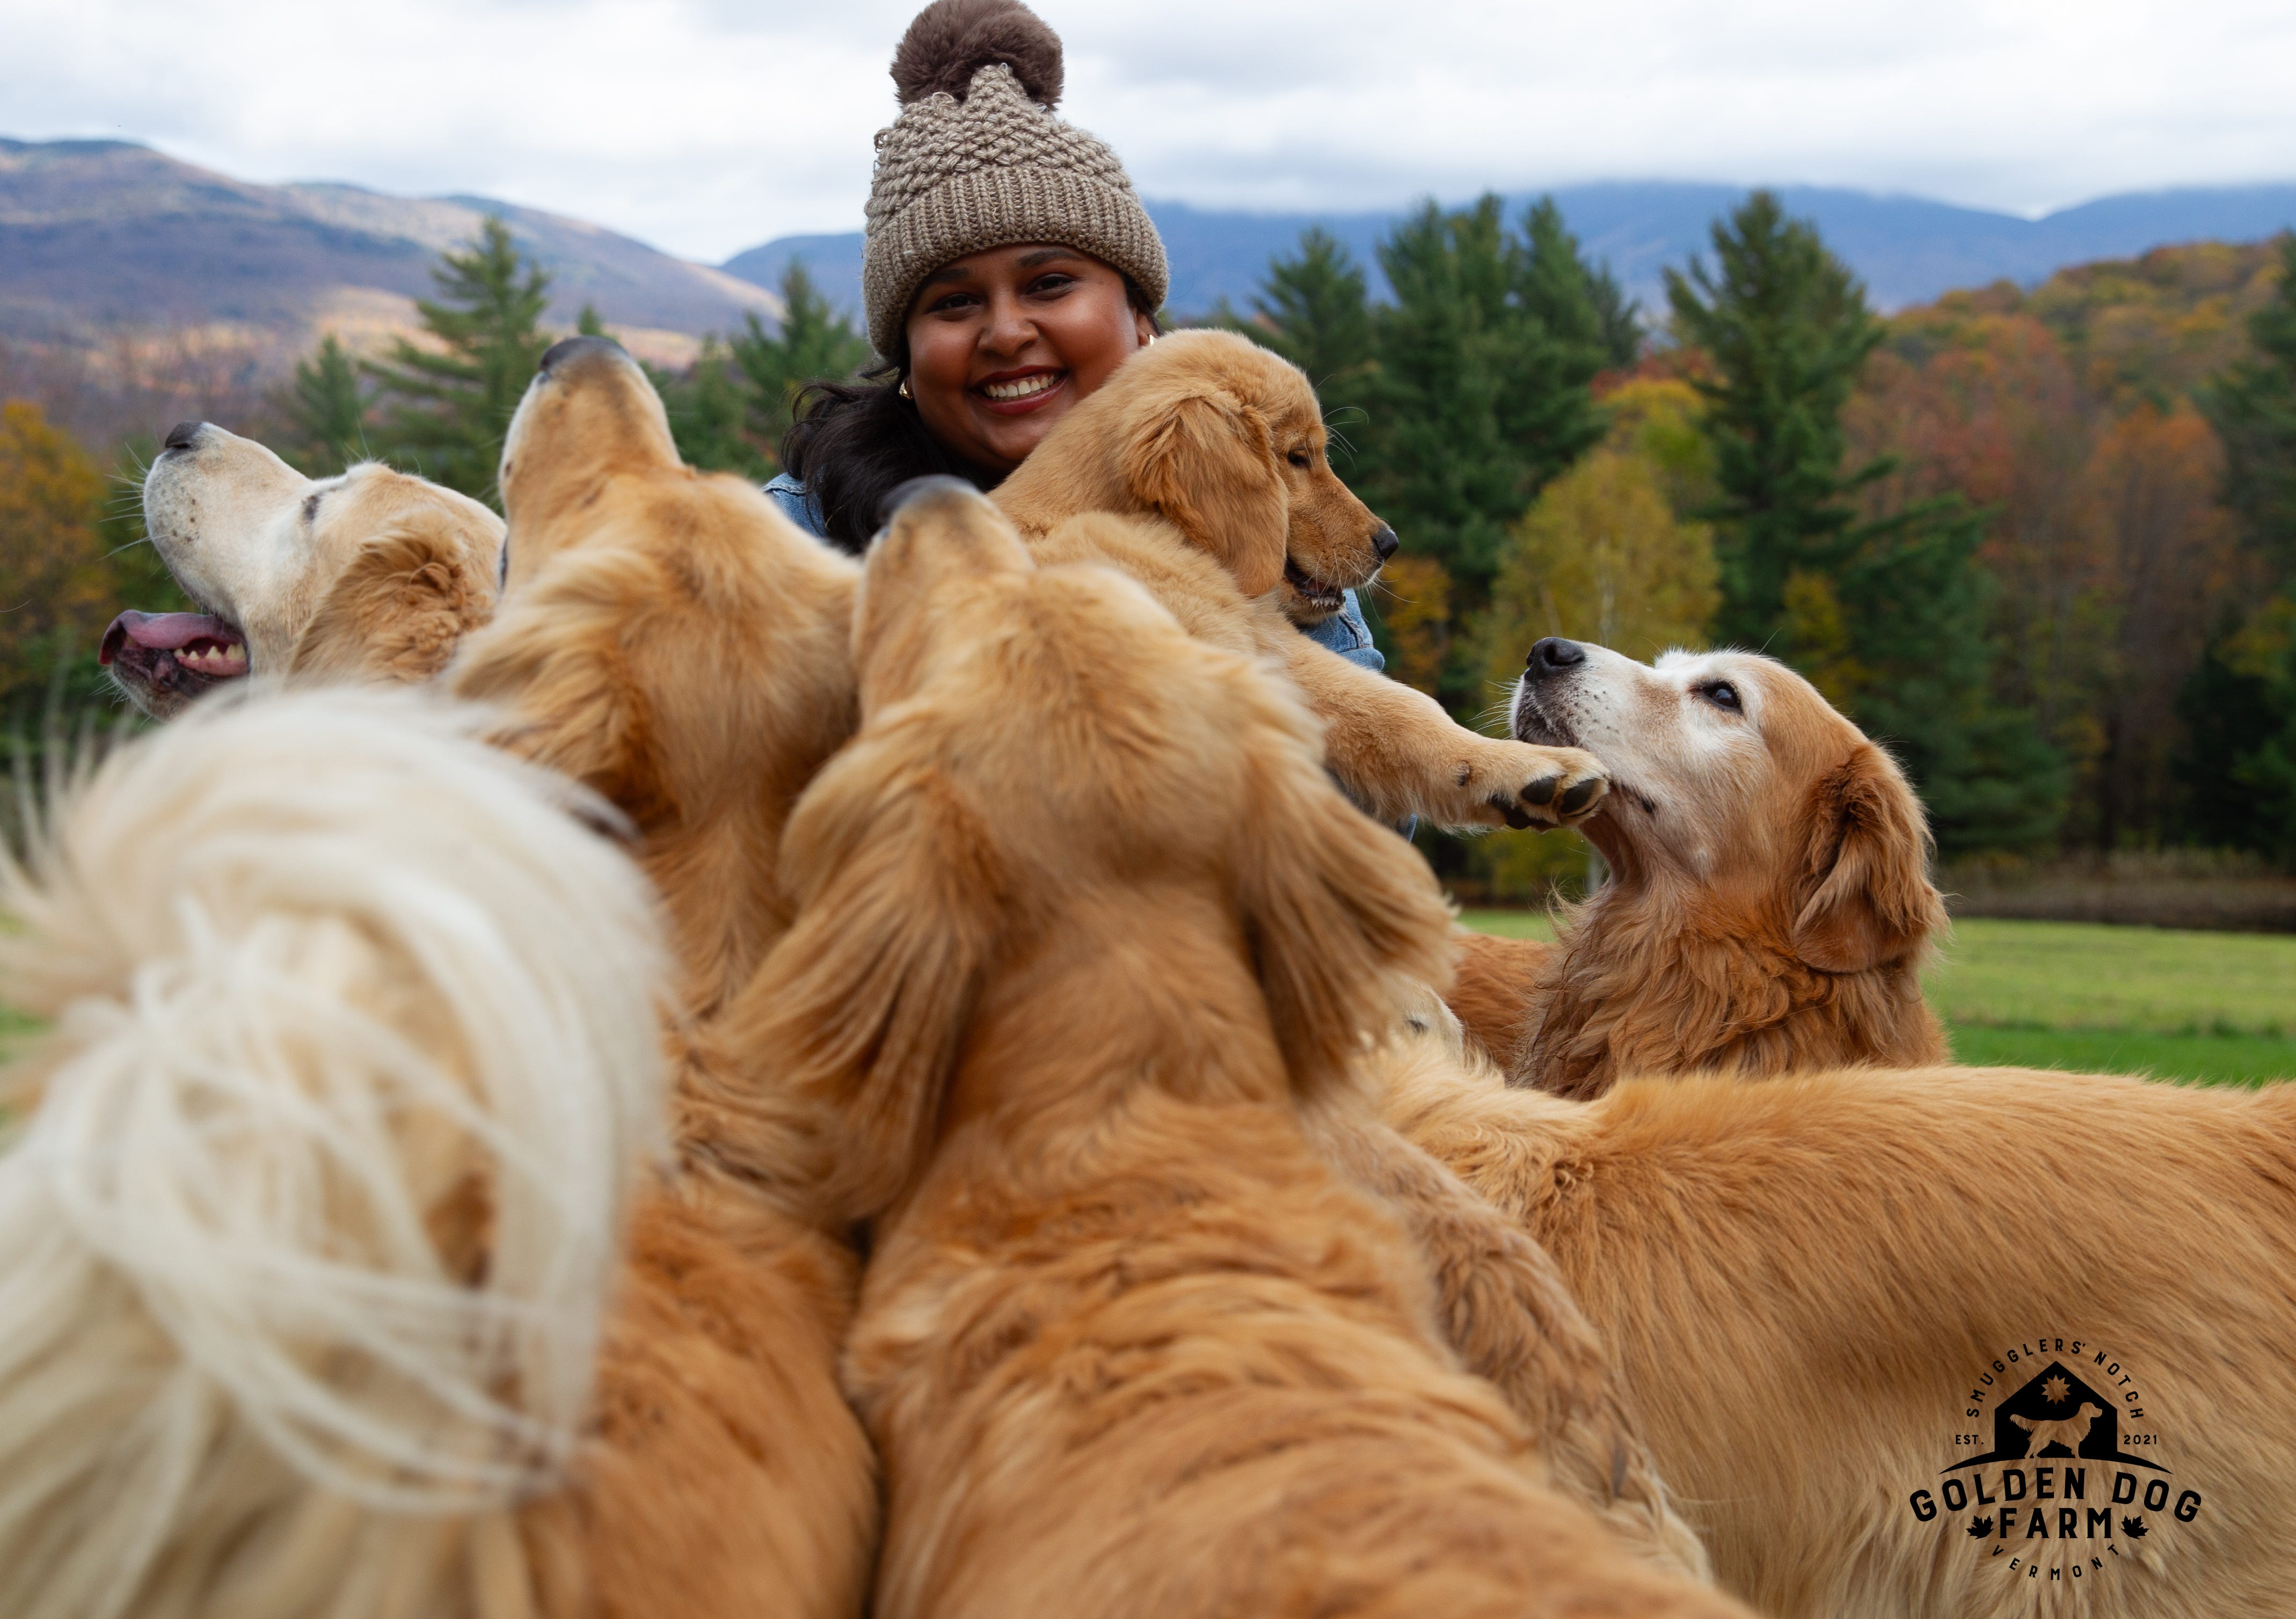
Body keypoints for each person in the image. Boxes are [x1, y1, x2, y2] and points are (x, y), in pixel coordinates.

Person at [764, 0, 1385, 674]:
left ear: (1141, 318)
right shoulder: (791, 549)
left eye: (1049, 284)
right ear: (905, 354)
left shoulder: (1282, 550)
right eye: (954, 301)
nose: (1004, 332)